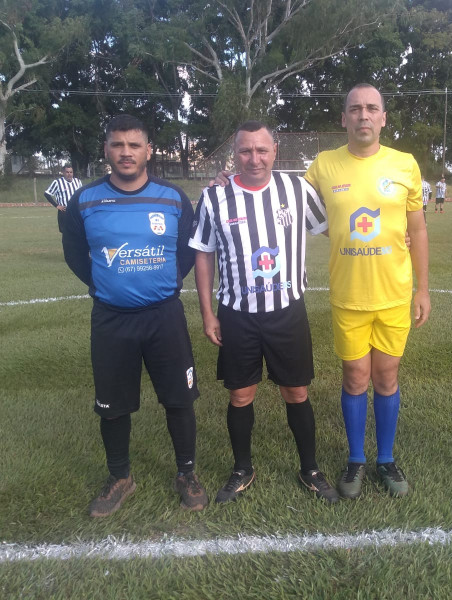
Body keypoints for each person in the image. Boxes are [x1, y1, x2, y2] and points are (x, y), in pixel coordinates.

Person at [63, 114, 207, 517]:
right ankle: (120, 477)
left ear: (148, 150)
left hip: (164, 317)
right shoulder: (85, 200)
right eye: (117, 144)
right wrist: (105, 284)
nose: (125, 152)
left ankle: (186, 473)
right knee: (113, 405)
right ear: (106, 149)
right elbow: (74, 253)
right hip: (111, 320)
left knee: (180, 399)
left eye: (134, 145)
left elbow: (186, 252)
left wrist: (161, 282)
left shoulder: (172, 198)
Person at [190, 121, 339, 504]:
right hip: (237, 313)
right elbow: (203, 254)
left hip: (287, 311)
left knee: (297, 391)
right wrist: (208, 313)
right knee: (240, 395)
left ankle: (310, 468)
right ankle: (242, 468)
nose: (253, 158)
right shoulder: (214, 198)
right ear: (234, 154)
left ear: (275, 151)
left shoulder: (297, 189)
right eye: (245, 150)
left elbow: (333, 227)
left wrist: (393, 232)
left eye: (261, 150)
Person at [304, 83, 430, 499]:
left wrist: (423, 290)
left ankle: (386, 459)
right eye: (355, 108)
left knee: (386, 376)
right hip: (348, 295)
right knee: (356, 376)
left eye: (372, 108)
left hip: (394, 293)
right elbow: (283, 200)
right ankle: (356, 459)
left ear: (383, 118)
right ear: (344, 118)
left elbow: (418, 229)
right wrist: (228, 179)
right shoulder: (323, 165)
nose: (363, 115)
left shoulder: (405, 164)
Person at [44, 164, 82, 233]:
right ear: (63, 173)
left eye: (71, 172)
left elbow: (81, 194)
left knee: (78, 231)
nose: (69, 174)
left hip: (76, 211)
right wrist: (57, 206)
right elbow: (47, 194)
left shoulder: (78, 181)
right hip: (64, 211)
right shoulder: (57, 182)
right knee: (65, 233)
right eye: (67, 172)